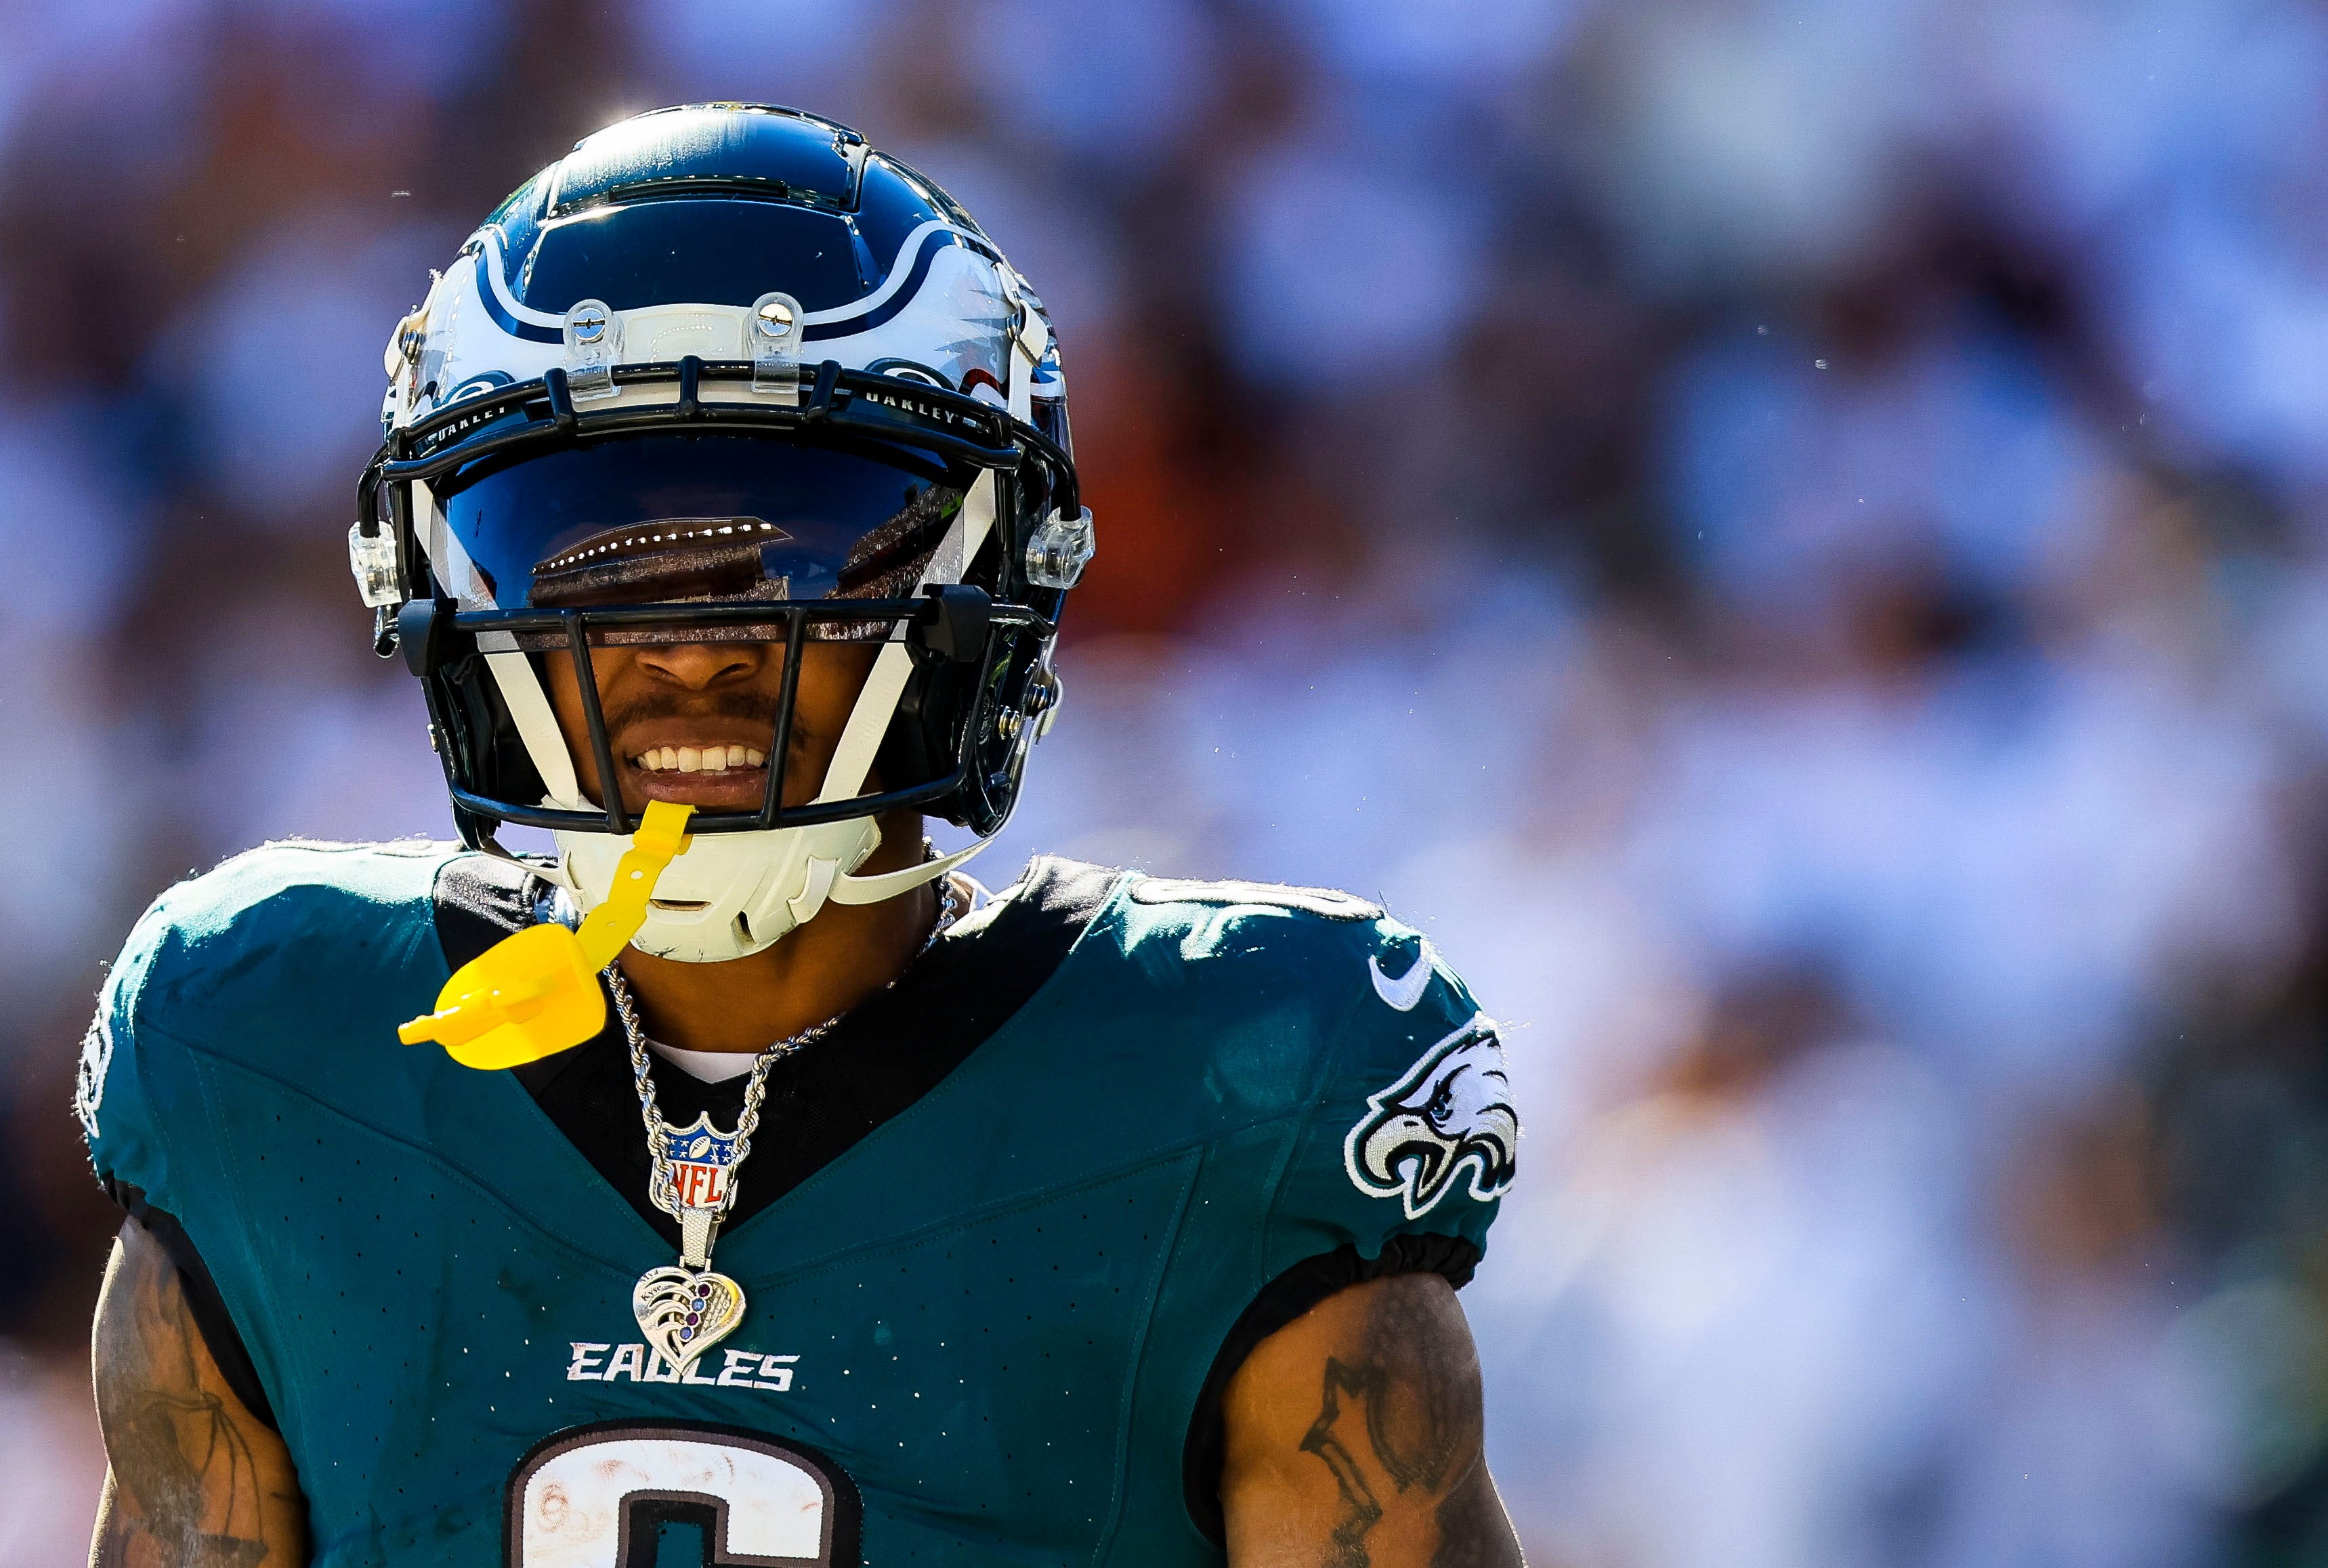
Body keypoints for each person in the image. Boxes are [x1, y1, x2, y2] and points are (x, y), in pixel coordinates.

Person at [77, 103, 1523, 1567]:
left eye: (805, 548)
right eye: (587, 557)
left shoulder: (1234, 1084)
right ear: (451, 591)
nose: (694, 652)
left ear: (984, 580)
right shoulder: (265, 1046)